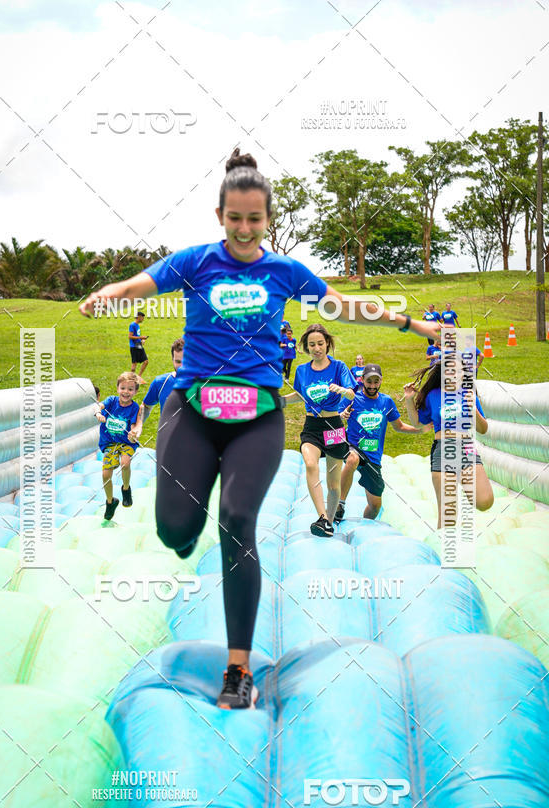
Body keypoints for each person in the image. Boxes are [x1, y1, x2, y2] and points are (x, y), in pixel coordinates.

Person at [79, 148, 439, 710]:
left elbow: (347, 308)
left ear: (267, 219)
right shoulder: (195, 262)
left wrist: (414, 323)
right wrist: (108, 296)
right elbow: (141, 284)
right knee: (176, 532)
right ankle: (184, 522)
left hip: (258, 414)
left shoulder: (285, 271)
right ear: (220, 215)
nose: (245, 228)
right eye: (234, 217)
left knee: (238, 519)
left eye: (255, 218)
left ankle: (238, 669)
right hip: (192, 408)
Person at [283, 323, 354, 537]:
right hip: (312, 426)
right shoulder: (302, 370)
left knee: (333, 484)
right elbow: (299, 395)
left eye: (320, 343)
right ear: (306, 347)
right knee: (310, 463)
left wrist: (342, 390)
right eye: (312, 344)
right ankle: (322, 517)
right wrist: (279, 401)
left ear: (327, 344)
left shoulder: (339, 366)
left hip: (333, 426)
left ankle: (329, 523)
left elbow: (351, 394)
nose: (317, 348)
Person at [403, 361, 494, 529]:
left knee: (485, 501)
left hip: (466, 448)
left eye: (457, 371)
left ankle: (459, 480)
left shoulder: (469, 394)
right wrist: (409, 400)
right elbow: (417, 423)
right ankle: (442, 552)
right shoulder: (433, 395)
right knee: (448, 515)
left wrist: (472, 408)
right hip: (443, 449)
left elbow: (483, 429)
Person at [334, 364, 422, 522]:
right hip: (352, 446)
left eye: (376, 381)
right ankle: (339, 504)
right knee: (353, 459)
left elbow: (399, 426)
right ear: (362, 380)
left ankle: (365, 525)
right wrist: (342, 414)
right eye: (369, 381)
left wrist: (420, 430)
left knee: (375, 506)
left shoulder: (386, 402)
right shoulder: (353, 399)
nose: (372, 386)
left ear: (381, 381)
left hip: (373, 457)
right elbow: (335, 417)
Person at [95, 371, 143, 520]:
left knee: (125, 463)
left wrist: (133, 433)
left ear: (135, 391)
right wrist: (98, 414)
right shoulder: (111, 401)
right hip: (110, 443)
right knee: (105, 475)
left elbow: (135, 425)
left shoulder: (134, 408)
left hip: (125, 443)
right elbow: (98, 406)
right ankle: (110, 502)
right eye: (123, 388)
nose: (126, 392)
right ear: (117, 388)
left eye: (130, 389)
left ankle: (126, 489)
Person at [139, 338, 184, 421]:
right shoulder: (161, 382)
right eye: (178, 362)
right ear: (172, 359)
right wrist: (137, 425)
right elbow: (146, 407)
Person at [129, 311, 148, 381]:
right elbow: (130, 336)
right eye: (142, 317)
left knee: (145, 361)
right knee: (134, 365)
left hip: (138, 345)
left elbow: (136, 336)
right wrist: (141, 337)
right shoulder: (132, 325)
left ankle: (137, 377)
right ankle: (132, 379)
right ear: (139, 317)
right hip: (134, 346)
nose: (143, 319)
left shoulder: (137, 325)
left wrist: (141, 340)